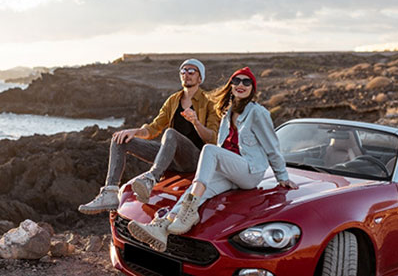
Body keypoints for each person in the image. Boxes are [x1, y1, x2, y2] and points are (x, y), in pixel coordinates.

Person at [128, 66, 298, 252]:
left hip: (249, 172)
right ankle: (162, 226)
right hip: (231, 170)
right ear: (231, 86)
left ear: (252, 88)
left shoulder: (258, 113)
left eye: (246, 82)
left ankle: (190, 211)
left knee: (209, 150)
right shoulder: (227, 114)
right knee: (198, 187)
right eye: (236, 81)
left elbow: (272, 147)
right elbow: (223, 147)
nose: (241, 85)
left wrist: (282, 177)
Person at [78, 59, 220, 214]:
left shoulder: (209, 103)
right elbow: (153, 129)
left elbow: (212, 138)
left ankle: (151, 178)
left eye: (192, 71)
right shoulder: (173, 100)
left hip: (195, 159)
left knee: (171, 133)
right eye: (183, 71)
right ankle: (110, 192)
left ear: (200, 78)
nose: (187, 74)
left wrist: (196, 122)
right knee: (119, 140)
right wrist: (134, 132)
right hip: (171, 158)